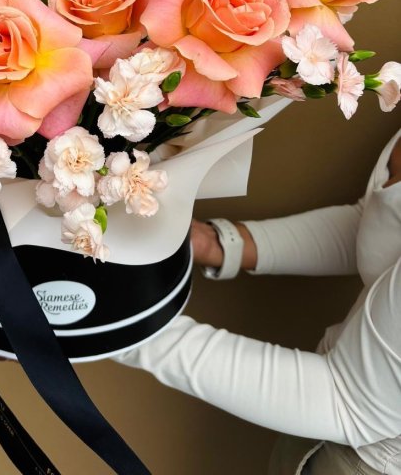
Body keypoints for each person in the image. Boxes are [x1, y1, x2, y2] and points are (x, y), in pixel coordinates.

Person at [114, 129, 401, 475]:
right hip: (334, 414)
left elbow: (344, 401)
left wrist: (123, 329)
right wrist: (216, 244)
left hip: (365, 456)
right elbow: (383, 225)